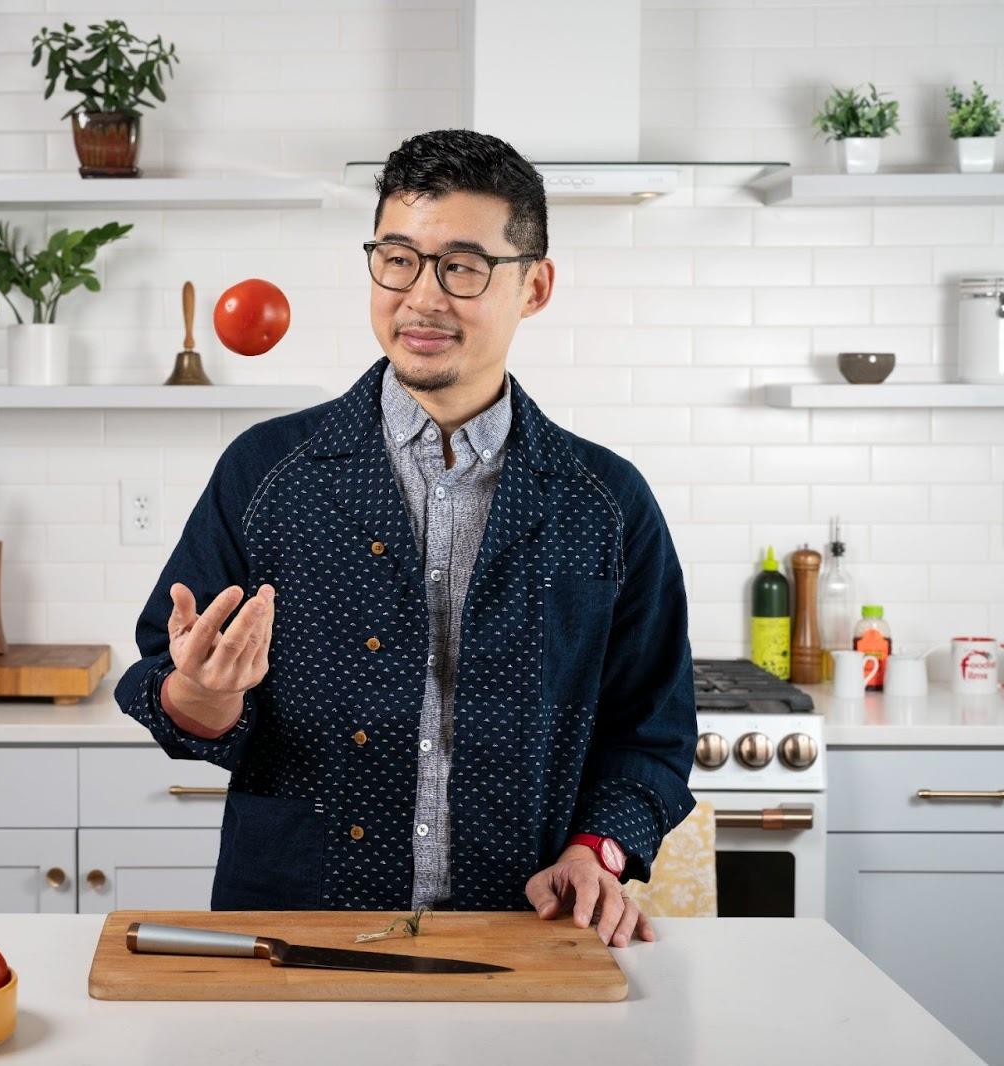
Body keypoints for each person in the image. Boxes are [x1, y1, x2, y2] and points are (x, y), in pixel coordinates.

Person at [112, 129, 696, 948]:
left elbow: (652, 731)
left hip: (522, 932)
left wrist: (595, 850)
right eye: (398, 258)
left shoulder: (606, 503)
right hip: (294, 932)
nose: (423, 298)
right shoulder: (270, 472)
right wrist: (201, 700)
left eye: (463, 267)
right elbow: (159, 677)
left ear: (535, 286)